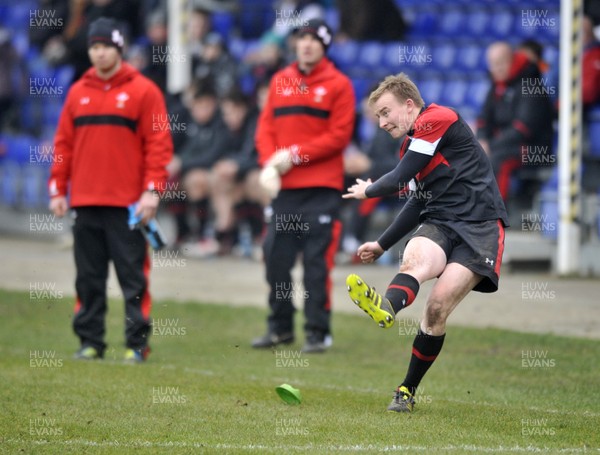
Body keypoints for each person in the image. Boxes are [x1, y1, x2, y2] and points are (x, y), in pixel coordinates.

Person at [342, 73, 508, 412]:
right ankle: (387, 306)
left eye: (386, 112)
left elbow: (398, 178)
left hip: (480, 228)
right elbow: (416, 201)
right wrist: (382, 243)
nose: (383, 122)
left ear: (408, 105)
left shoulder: (438, 118)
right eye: (377, 117)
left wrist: (368, 190)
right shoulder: (412, 145)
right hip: (441, 222)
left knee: (436, 310)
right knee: (415, 259)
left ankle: (406, 389)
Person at [48, 18, 173, 362]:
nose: (99, 53)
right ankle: (90, 342)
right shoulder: (77, 92)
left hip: (128, 205)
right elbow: (63, 145)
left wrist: (152, 191)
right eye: (94, 47)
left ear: (118, 49)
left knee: (133, 280)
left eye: (105, 46)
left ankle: (137, 344)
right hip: (85, 201)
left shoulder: (144, 91)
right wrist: (58, 187)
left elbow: (159, 145)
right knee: (88, 278)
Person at [252, 19, 355, 353]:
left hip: (320, 189)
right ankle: (280, 328)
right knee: (275, 259)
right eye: (302, 39)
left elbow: (338, 137)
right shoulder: (281, 80)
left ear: (325, 47)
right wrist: (270, 161)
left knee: (315, 263)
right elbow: (265, 127)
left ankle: (317, 331)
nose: (307, 44)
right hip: (286, 190)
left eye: (314, 40)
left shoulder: (339, 85)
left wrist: (294, 155)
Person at [477, 41, 554, 201]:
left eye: (500, 63)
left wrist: (490, 145)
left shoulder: (531, 85)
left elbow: (523, 128)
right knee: (470, 153)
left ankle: (494, 217)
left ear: (511, 60)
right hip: (502, 145)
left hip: (534, 149)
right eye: (493, 64)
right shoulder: (496, 86)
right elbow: (484, 120)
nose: (496, 68)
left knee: (498, 159)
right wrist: (482, 140)